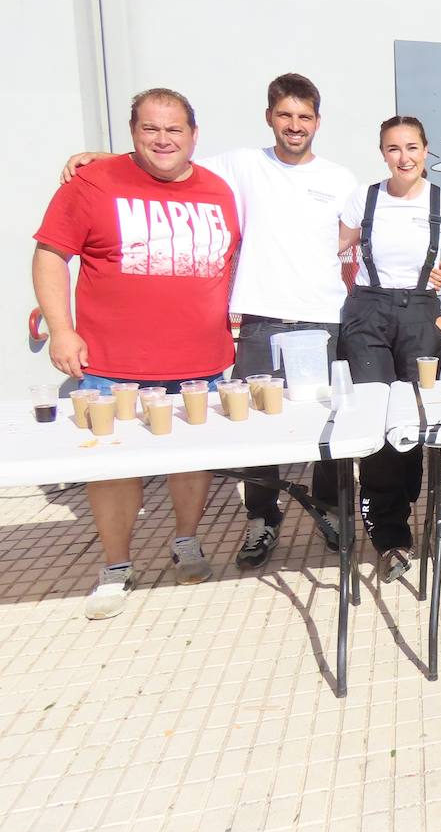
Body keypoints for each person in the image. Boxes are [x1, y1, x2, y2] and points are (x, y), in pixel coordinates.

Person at [60, 74, 368, 569]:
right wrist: (100, 155)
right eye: (285, 115)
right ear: (270, 117)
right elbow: (167, 158)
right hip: (262, 321)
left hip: (323, 319)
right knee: (259, 428)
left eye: (304, 117)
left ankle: (329, 509)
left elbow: (352, 238)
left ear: (317, 121)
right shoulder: (240, 165)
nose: (294, 125)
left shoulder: (339, 178)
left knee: (324, 425)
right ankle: (262, 520)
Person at [34, 88, 241, 619]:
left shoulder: (217, 189)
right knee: (112, 468)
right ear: (132, 131)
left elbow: (230, 257)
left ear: (194, 135)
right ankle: (117, 565)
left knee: (192, 461)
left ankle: (187, 540)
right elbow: (51, 255)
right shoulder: (92, 182)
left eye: (174, 129)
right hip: (111, 365)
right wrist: (62, 329)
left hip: (200, 361)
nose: (163, 139)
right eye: (151, 128)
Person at [337, 117, 441, 580]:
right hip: (368, 314)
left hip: (421, 315)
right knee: (375, 417)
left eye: (412, 147)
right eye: (393, 149)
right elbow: (337, 248)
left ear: (426, 150)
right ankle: (388, 531)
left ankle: (408, 505)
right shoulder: (364, 198)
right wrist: (349, 279)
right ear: (382, 153)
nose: (404, 157)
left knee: (411, 420)